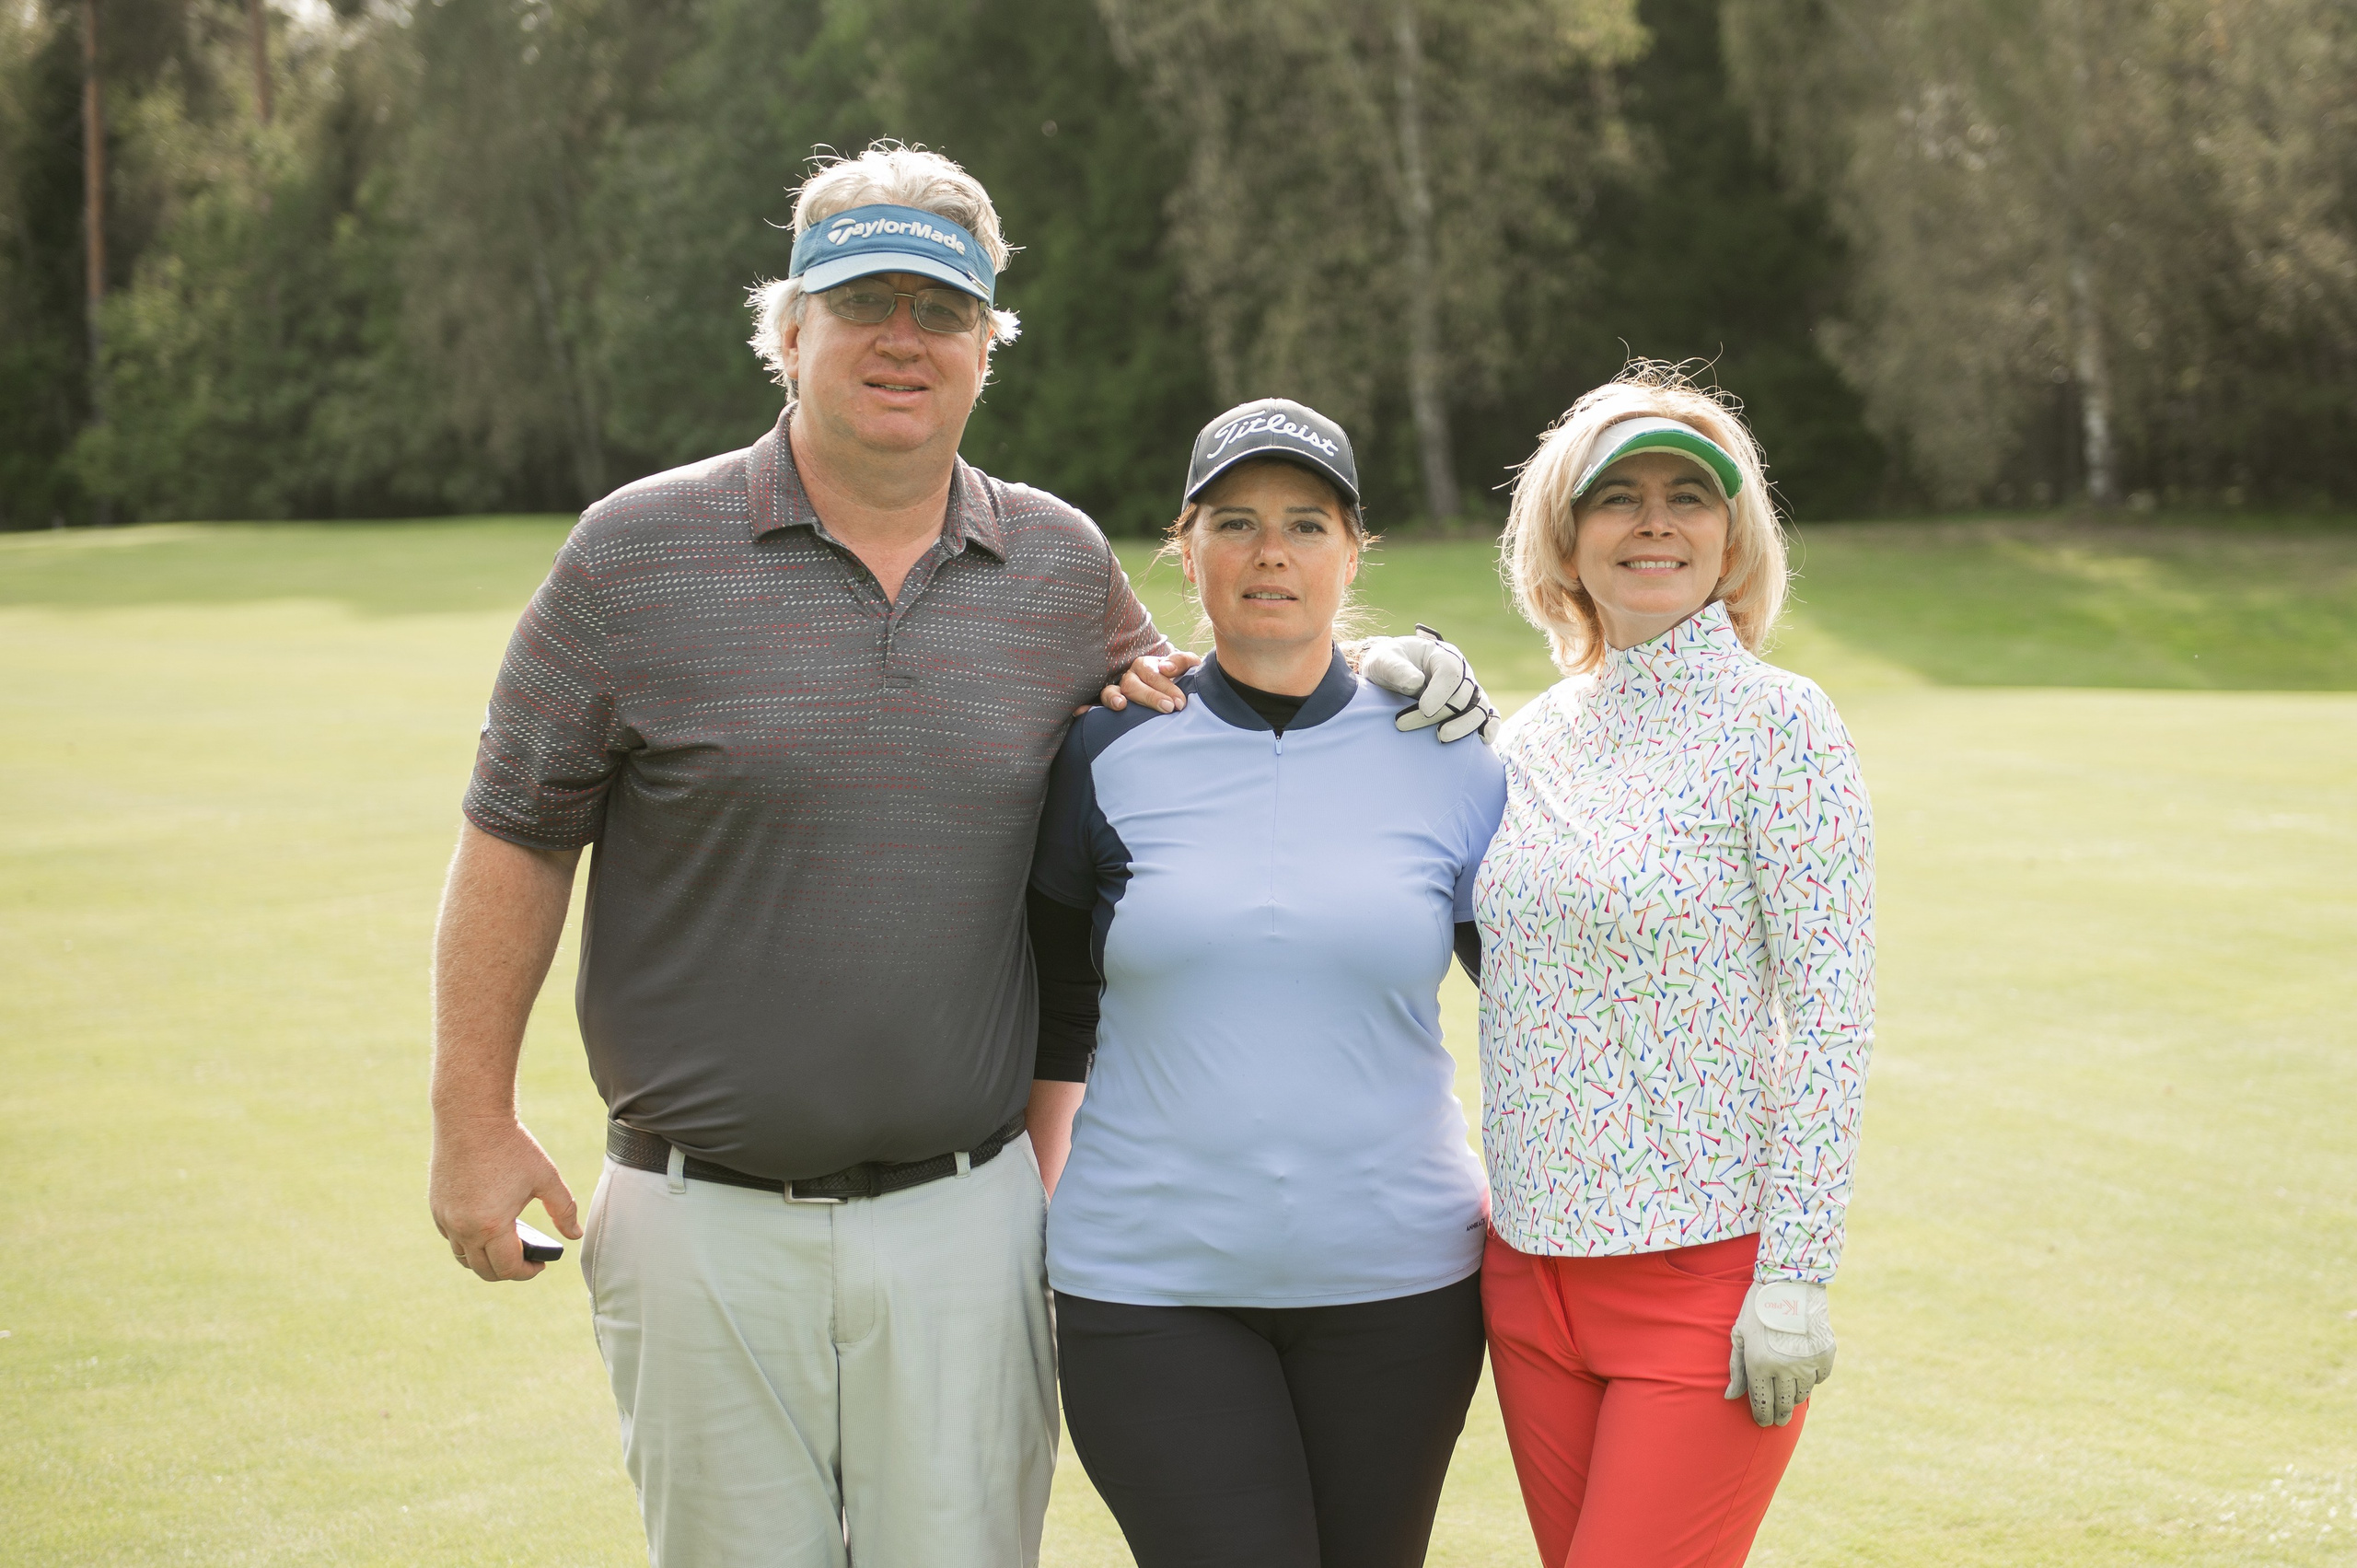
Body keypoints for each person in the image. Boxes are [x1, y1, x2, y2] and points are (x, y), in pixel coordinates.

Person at [425, 145, 1499, 1568]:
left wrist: (1387, 661)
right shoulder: (636, 553)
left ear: (987, 347)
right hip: (699, 1219)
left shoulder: (1055, 566)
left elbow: (1232, 680)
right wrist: (473, 1118)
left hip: (965, 1216)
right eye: (861, 298)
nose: (900, 339)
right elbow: (515, 832)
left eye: (941, 311)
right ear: (787, 328)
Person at [1026, 399, 1505, 1568]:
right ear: (1185, 549)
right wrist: (1031, 1222)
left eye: (1306, 522)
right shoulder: (1104, 750)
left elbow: (1541, 1001)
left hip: (1400, 1283)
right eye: (1234, 522)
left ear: (1354, 550)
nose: (1270, 551)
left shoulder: (1452, 754)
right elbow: (1053, 1015)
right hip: (1149, 1285)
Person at [1472, 363, 1876, 1568]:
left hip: (1701, 1281)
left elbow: (1831, 1015)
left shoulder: (1780, 723)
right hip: (1526, 1272)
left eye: (1688, 495)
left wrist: (1797, 1270)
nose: (1655, 520)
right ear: (1567, 531)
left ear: (1732, 530)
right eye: (1619, 496)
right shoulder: (1523, 736)